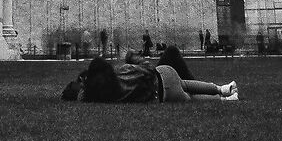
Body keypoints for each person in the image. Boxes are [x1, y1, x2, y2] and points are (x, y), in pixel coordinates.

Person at [61, 54, 236, 102]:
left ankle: (223, 99)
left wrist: (81, 89)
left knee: (190, 97)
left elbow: (84, 95)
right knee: (186, 84)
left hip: (161, 96)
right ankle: (222, 88)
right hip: (163, 75)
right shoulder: (123, 71)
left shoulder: (102, 95)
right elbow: (148, 68)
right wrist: (133, 57)